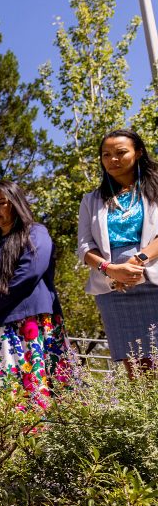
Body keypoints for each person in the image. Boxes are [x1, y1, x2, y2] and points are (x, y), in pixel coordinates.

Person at [0, 180, 70, 407]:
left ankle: (42, 440)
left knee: (37, 387)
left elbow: (28, 273)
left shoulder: (36, 233)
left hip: (30, 324)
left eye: (1, 203)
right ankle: (17, 441)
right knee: (9, 392)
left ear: (15, 203)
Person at [77, 129, 158, 375]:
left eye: (121, 152)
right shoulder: (91, 200)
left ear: (138, 152)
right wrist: (112, 270)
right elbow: (84, 247)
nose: (113, 159)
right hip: (113, 288)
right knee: (136, 367)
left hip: (154, 279)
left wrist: (138, 261)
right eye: (106, 154)